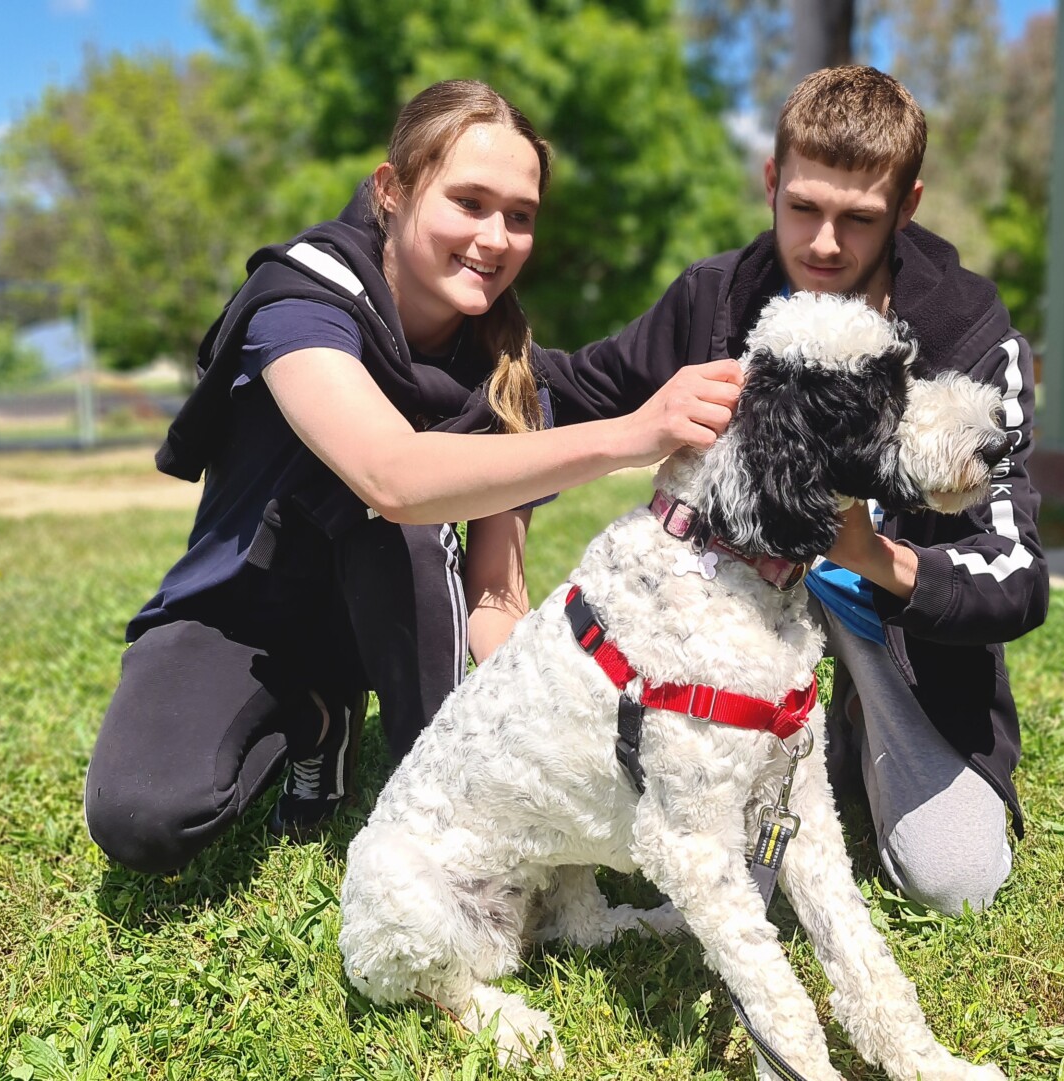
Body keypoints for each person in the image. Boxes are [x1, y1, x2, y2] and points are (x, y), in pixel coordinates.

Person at [82, 80, 742, 876]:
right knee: (143, 815)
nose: (495, 237)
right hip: (239, 617)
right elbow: (391, 474)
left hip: (381, 615)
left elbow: (496, 593)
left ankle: (431, 794)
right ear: (391, 192)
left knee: (420, 535)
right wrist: (633, 435)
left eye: (520, 215)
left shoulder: (507, 371)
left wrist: (534, 741)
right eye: (468, 202)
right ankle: (316, 715)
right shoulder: (303, 301)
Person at [523, 66, 1049, 915]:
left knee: (953, 880)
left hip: (888, 626)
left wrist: (873, 556)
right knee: (723, 868)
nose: (826, 243)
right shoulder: (713, 298)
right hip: (736, 616)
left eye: (860, 218)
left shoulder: (969, 327)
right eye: (803, 207)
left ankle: (852, 735)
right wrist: (437, 344)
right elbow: (570, 387)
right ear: (771, 183)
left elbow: (1020, 575)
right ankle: (771, 764)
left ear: (907, 207)